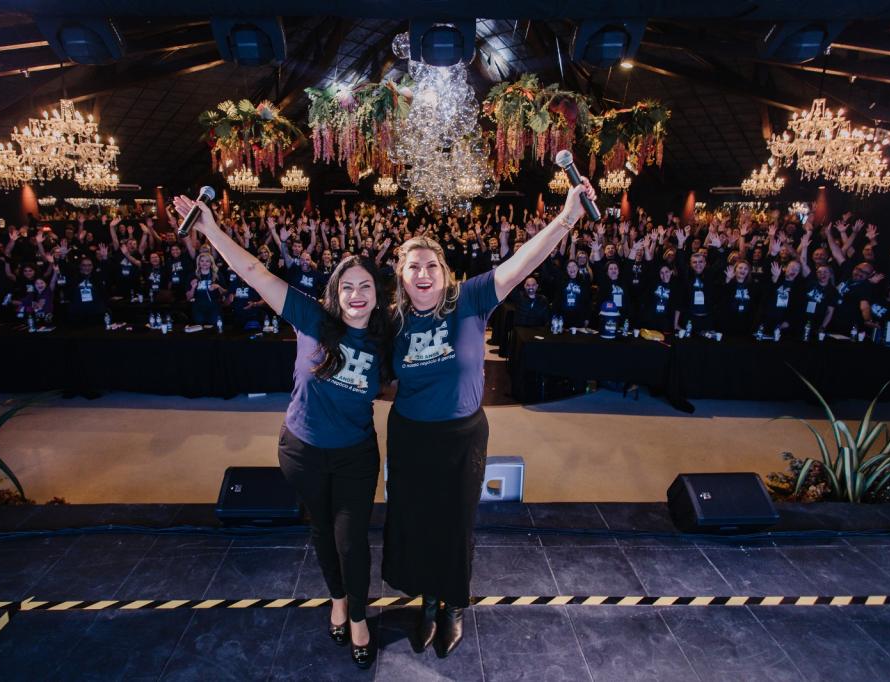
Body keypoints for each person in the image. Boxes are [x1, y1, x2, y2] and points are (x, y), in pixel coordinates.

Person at [173, 194, 389, 669]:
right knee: (322, 531)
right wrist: (210, 229)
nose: (356, 294)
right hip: (303, 451)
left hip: (355, 455)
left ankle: (357, 616)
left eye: (365, 286)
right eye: (347, 286)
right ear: (335, 292)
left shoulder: (384, 336)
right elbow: (255, 272)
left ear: (377, 293)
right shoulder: (312, 318)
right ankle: (337, 600)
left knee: (351, 540)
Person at [382, 178, 596, 658]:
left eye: (431, 265)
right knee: (417, 520)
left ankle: (454, 604)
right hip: (410, 435)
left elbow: (523, 262)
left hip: (461, 436)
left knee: (456, 523)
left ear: (444, 271)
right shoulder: (393, 318)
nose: (422, 274)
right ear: (401, 275)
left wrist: (567, 218)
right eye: (413, 266)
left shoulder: (471, 298)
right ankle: (428, 600)